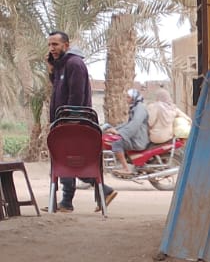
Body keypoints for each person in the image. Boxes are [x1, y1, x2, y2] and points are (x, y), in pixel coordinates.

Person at [47, 30, 117, 212]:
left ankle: (98, 192)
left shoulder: (74, 64)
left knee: (69, 162)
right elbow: (59, 90)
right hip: (63, 123)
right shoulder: (61, 66)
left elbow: (76, 95)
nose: (51, 48)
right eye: (49, 45)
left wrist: (70, 120)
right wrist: (52, 71)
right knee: (64, 160)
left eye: (55, 44)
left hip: (73, 123)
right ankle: (68, 202)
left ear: (66, 45)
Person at [106, 87, 150, 175]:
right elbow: (128, 123)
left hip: (138, 140)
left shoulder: (140, 109)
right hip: (136, 137)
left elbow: (134, 124)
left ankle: (126, 169)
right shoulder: (135, 107)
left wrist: (120, 133)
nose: (126, 99)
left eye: (128, 97)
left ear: (134, 98)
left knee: (116, 143)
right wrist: (115, 129)